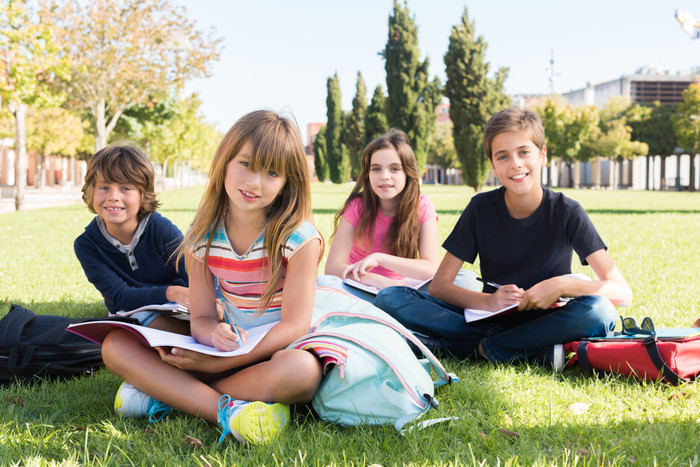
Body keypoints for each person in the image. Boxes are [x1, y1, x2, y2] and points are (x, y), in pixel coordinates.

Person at [100, 110, 324, 446]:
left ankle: (169, 396)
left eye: (272, 173)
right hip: (230, 350)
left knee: (303, 373)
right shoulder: (201, 238)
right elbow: (202, 318)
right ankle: (227, 408)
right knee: (115, 346)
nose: (254, 183)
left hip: (278, 354)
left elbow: (294, 327)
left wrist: (221, 365)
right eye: (245, 164)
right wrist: (212, 335)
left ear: (287, 182)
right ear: (225, 161)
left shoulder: (299, 238)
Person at [374, 107, 633, 370]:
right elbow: (441, 286)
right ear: (494, 167)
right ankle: (532, 352)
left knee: (601, 312)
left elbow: (621, 292)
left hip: (547, 320)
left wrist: (559, 286)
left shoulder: (567, 211)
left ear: (542, 155)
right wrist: (490, 301)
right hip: (489, 317)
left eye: (524, 152)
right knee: (390, 298)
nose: (515, 164)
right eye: (503, 156)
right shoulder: (480, 208)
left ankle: (473, 349)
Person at [74, 145, 189, 334]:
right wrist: (171, 292)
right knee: (137, 324)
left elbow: (193, 273)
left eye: (125, 188)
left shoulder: (160, 228)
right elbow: (119, 296)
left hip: (179, 307)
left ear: (143, 194)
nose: (113, 197)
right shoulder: (86, 245)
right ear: (91, 191)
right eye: (104, 187)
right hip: (132, 311)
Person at [319, 129, 441, 301]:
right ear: (368, 175)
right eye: (376, 169)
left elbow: (431, 269)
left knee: (464, 281)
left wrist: (380, 259)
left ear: (408, 173)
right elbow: (332, 268)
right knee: (322, 282)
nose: (384, 176)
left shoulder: (422, 205)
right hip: (359, 285)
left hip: (402, 287)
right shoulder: (357, 207)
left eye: (395, 169)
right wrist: (376, 280)